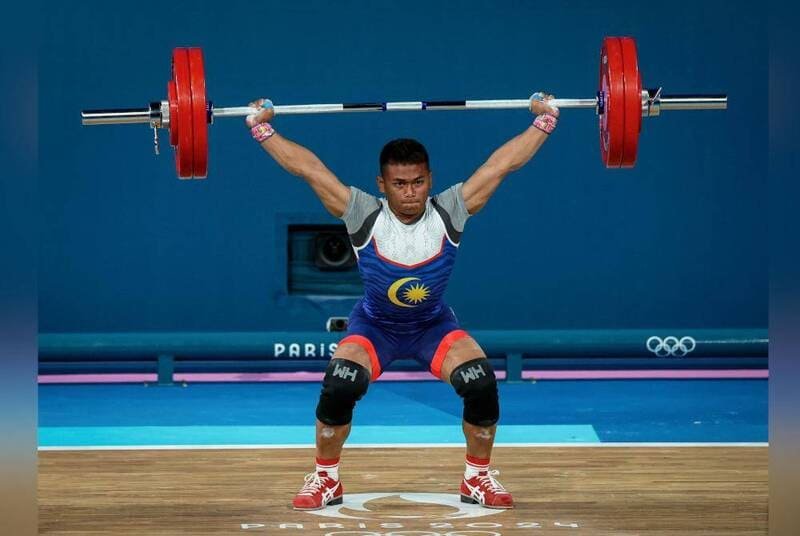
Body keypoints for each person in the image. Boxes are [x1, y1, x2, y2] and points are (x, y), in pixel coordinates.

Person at [245, 93, 559, 511]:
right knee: (340, 384)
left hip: (432, 326)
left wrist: (545, 121)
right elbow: (309, 170)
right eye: (399, 184)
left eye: (418, 183)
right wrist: (261, 128)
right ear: (382, 184)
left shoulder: (450, 210)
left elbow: (502, 165)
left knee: (481, 383)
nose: (410, 193)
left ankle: (477, 478)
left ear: (430, 179)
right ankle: (325, 479)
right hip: (375, 327)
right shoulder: (362, 213)